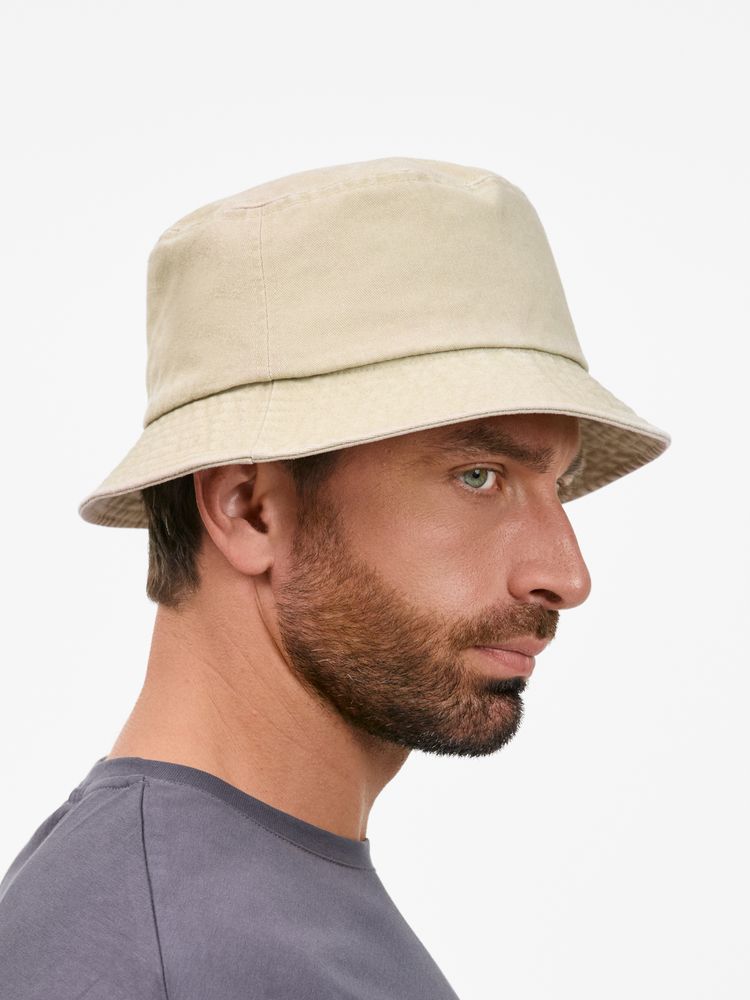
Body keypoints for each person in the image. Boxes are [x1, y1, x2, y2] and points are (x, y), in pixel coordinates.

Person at [0, 156, 671, 999]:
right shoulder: (145, 954)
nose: (567, 575)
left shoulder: (251, 899)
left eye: (558, 485)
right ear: (250, 510)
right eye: (479, 476)